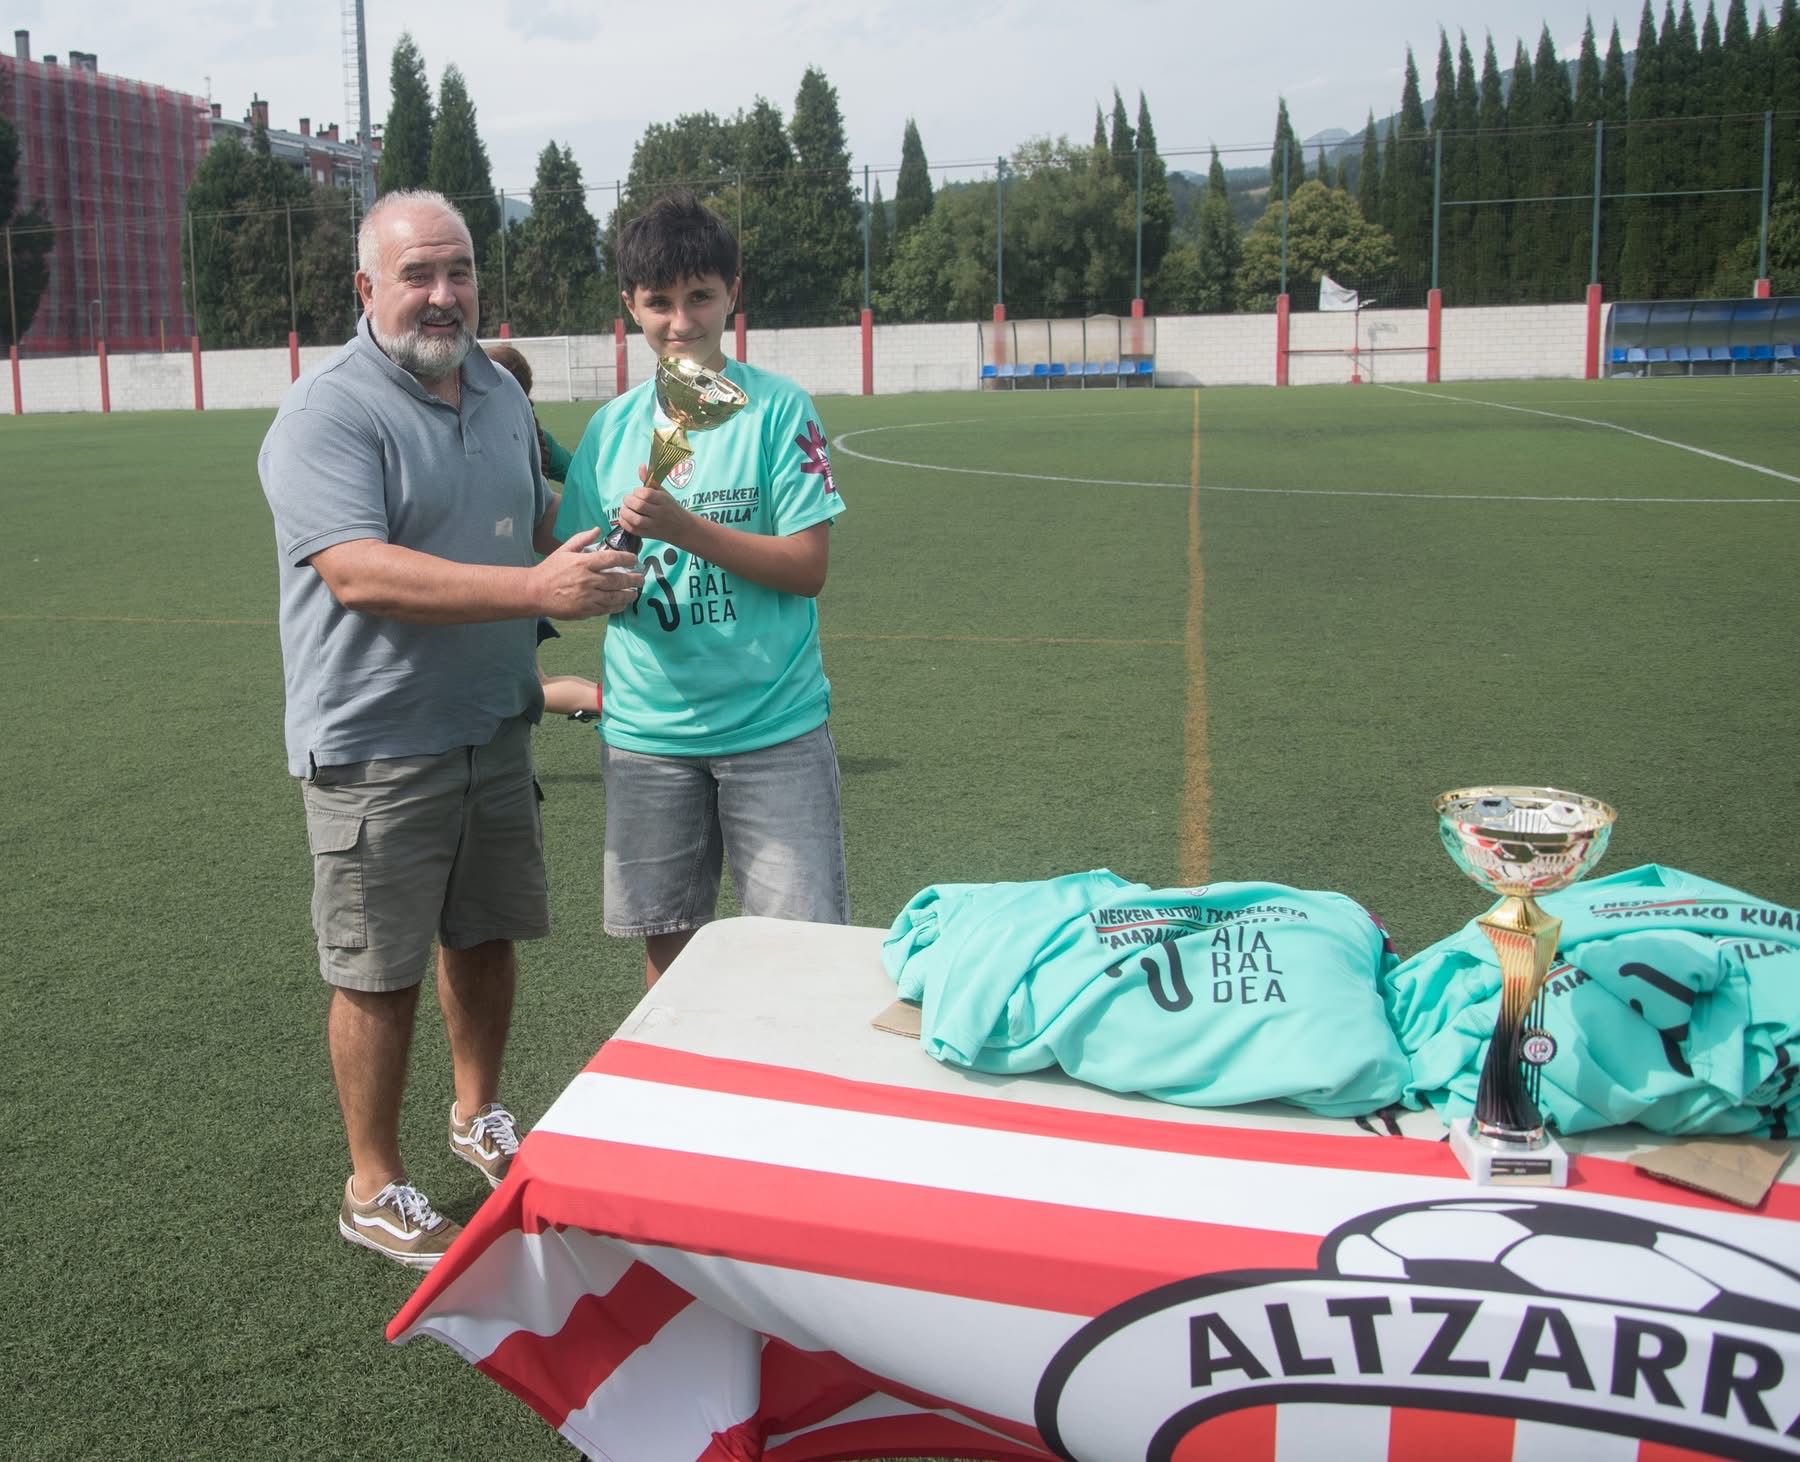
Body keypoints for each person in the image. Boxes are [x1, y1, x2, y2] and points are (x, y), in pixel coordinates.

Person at [257, 189, 643, 1270]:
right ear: (365, 287)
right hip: (377, 741)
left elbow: (541, 525)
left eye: (459, 271)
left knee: (483, 935)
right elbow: (358, 569)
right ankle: (370, 1183)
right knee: (377, 970)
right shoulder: (325, 412)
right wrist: (533, 585)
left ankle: (477, 1114)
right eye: (418, 273)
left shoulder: (499, 394)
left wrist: (618, 537)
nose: (442, 294)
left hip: (492, 724)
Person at [557, 190, 850, 990]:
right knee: (669, 955)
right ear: (630, 307)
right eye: (658, 302)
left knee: (799, 959)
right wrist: (607, 574)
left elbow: (808, 566)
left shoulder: (777, 409)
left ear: (732, 294)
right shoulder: (612, 430)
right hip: (649, 735)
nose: (680, 321)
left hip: (773, 731)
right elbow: (574, 573)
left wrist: (687, 530)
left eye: (700, 298)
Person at [483, 343, 602, 721]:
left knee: (530, 684)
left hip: (497, 583)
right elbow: (583, 480)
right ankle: (616, 702)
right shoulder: (538, 435)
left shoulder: (481, 440)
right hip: (537, 573)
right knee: (530, 681)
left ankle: (621, 705)